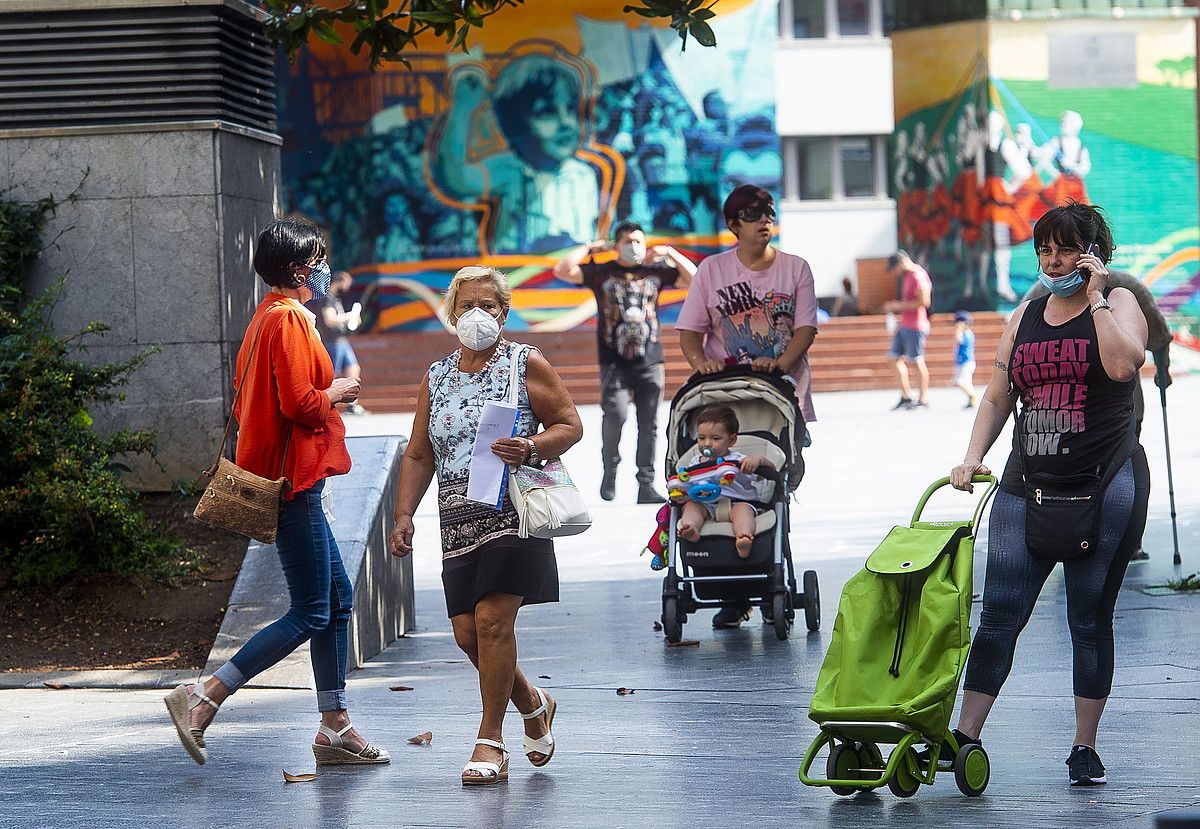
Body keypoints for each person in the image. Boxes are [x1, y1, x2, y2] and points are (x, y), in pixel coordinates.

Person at [164, 218, 388, 767]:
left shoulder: (267, 316)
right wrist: (337, 390)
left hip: (289, 479)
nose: (322, 266)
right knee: (314, 609)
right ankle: (206, 693)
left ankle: (334, 725)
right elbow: (299, 403)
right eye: (316, 258)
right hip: (292, 484)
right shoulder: (288, 320)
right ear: (297, 268)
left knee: (337, 600)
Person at [949, 202, 1150, 786]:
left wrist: (1096, 296)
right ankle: (966, 736)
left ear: (1092, 254)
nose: (1053, 260)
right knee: (1000, 614)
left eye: (1064, 249)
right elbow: (995, 395)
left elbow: (1122, 365)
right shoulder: (1026, 314)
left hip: (1104, 484)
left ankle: (1084, 746)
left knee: (1088, 619)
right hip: (1027, 482)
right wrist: (972, 457)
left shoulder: (1119, 305)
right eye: (1045, 249)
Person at [389, 266, 583, 785]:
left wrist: (532, 446)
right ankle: (535, 704)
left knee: (495, 623)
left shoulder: (526, 364)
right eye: (467, 305)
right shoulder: (437, 376)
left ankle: (490, 739)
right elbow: (418, 453)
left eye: (490, 305)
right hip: (457, 515)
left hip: (513, 509)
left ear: (505, 311)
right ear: (451, 314)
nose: (478, 314)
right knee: (467, 633)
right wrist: (404, 514)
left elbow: (570, 423)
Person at [676, 183, 818, 628]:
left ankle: (767, 571)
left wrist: (779, 365)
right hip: (723, 396)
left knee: (778, 484)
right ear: (734, 224)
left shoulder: (795, 268)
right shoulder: (711, 272)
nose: (765, 221)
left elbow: (805, 328)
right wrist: (702, 366)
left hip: (779, 396)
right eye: (754, 214)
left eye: (769, 213)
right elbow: (689, 332)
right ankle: (733, 594)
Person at [1021, 266, 1173, 561]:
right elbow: (1161, 338)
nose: (1056, 262)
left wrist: (1163, 370)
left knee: (1116, 474)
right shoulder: (1045, 290)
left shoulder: (1123, 287)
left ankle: (1122, 539)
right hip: (1065, 409)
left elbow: (1158, 335)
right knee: (1099, 475)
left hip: (1109, 408)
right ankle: (1078, 535)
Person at [554, 220, 696, 503]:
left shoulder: (655, 273)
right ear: (617, 245)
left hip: (651, 361)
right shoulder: (601, 272)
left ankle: (645, 484)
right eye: (628, 241)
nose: (634, 247)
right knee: (615, 417)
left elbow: (695, 279)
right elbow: (562, 270)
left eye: (639, 241)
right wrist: (588, 248)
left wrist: (671, 253)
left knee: (650, 424)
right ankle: (610, 472)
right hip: (613, 362)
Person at [434, 56, 600, 254]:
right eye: (546, 113)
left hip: (570, 275)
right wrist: (464, 107)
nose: (566, 122)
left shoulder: (583, 175)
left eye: (570, 109)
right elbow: (457, 177)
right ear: (515, 127)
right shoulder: (511, 170)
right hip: (522, 275)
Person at [674, 404, 773, 558]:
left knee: (743, 512)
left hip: (737, 502)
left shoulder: (739, 460)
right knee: (691, 506)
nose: (707, 443)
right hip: (706, 504)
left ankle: (743, 537)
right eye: (701, 438)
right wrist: (682, 493)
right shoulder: (694, 463)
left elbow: (770, 472)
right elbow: (687, 485)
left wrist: (758, 460)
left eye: (715, 438)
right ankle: (691, 528)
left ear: (731, 440)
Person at [311, 270, 367, 415]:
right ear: (339, 281)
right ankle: (326, 404)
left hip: (342, 340)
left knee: (353, 368)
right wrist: (349, 316)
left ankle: (352, 406)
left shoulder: (336, 298)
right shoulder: (327, 298)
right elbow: (330, 320)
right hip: (332, 341)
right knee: (332, 374)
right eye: (347, 283)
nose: (348, 287)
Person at [883, 250, 933, 410]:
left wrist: (899, 306)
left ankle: (923, 399)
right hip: (905, 324)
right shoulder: (907, 277)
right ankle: (906, 396)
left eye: (895, 267)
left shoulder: (918, 276)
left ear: (902, 262)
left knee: (917, 360)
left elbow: (924, 301)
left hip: (916, 325)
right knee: (893, 357)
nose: (895, 272)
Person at [953, 310, 978, 408]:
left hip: (966, 361)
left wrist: (959, 329)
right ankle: (971, 399)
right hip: (963, 361)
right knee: (966, 382)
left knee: (959, 381)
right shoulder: (968, 333)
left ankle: (972, 396)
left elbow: (958, 340)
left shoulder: (966, 333)